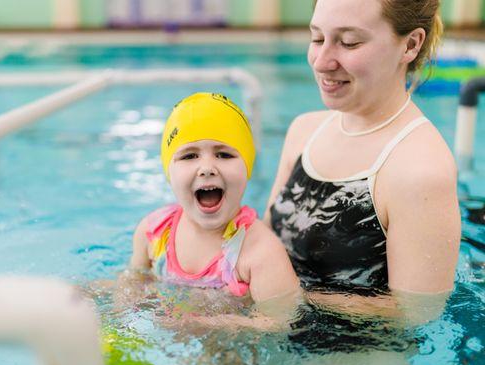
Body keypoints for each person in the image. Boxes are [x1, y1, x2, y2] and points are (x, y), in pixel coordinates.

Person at [264, 0, 460, 303]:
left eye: (349, 42)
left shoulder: (420, 170)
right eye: (317, 38)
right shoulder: (303, 132)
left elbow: (416, 313)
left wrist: (279, 300)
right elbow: (264, 243)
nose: (321, 61)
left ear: (410, 44)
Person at [130, 92, 300, 304]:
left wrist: (203, 322)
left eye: (224, 155)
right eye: (189, 156)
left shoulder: (260, 252)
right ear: (169, 173)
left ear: (247, 169)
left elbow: (279, 323)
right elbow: (132, 285)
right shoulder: (153, 232)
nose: (207, 168)